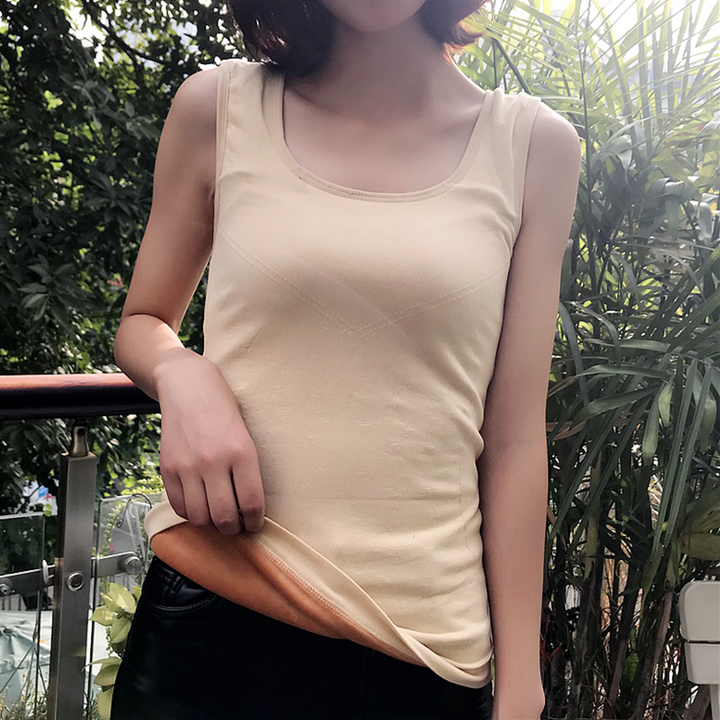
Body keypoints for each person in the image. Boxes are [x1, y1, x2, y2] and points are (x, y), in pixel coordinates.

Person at [110, 0, 581, 718]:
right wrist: (182, 372)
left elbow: (515, 436)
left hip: (422, 652)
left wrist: (522, 686)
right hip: (211, 625)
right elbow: (143, 321)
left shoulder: (533, 147)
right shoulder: (218, 107)